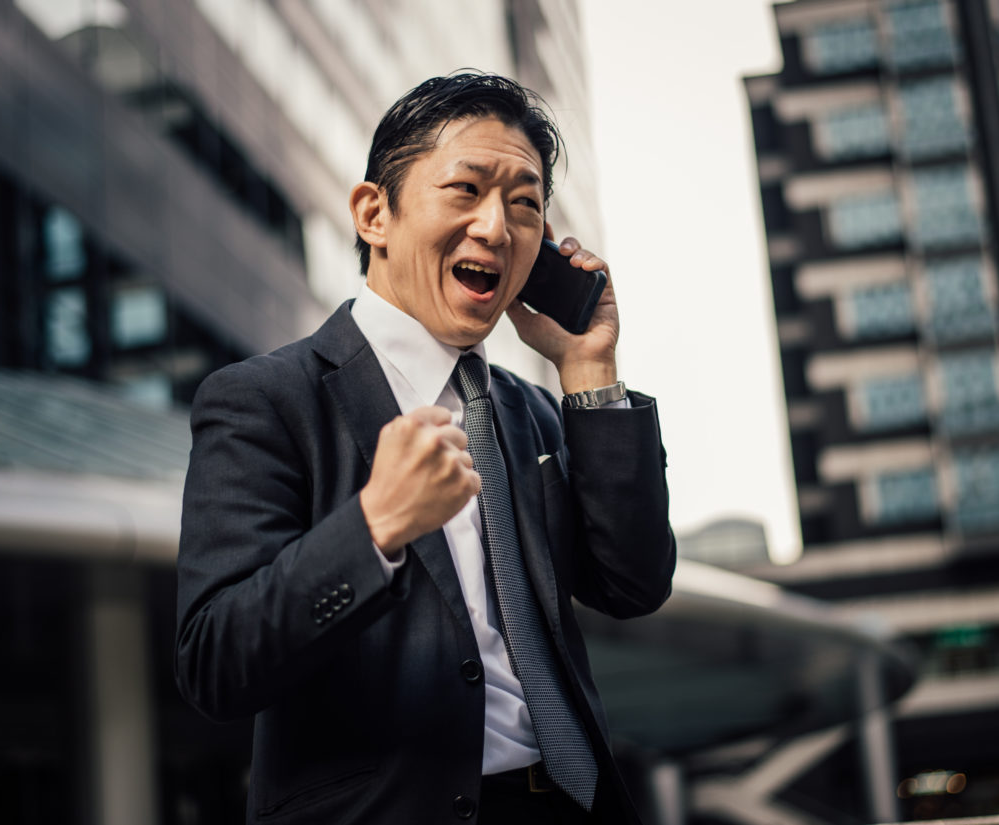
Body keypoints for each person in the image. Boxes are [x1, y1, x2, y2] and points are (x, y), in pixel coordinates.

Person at [174, 72, 676, 825]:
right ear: (375, 213)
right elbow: (215, 660)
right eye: (466, 190)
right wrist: (373, 527)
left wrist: (591, 373)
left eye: (525, 203)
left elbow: (634, 584)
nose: (498, 228)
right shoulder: (265, 401)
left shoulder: (535, 412)